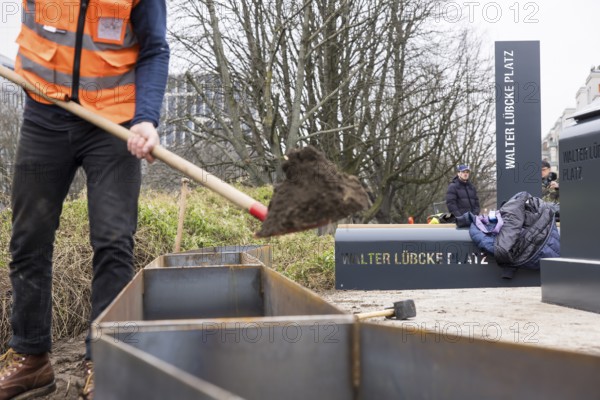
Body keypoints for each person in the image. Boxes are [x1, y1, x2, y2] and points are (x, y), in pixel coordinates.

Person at [0, 0, 169, 398]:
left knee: (113, 242)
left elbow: (154, 48)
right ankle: (31, 358)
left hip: (114, 123)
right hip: (45, 113)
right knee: (28, 240)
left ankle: (106, 362)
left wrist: (146, 117)